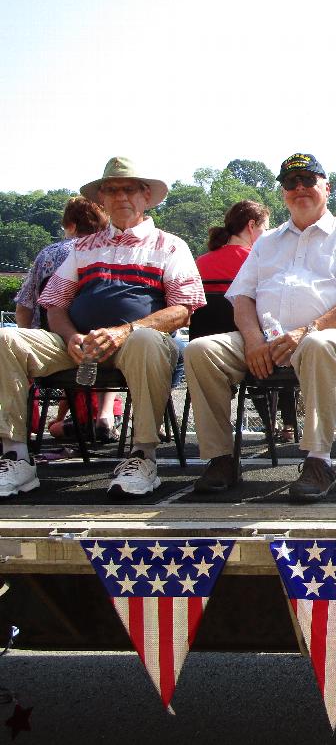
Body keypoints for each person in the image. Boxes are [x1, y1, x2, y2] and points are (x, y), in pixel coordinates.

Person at [184, 153, 336, 502]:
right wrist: (251, 340)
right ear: (282, 193)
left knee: (317, 345)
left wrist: (307, 331)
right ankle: (220, 458)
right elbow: (243, 298)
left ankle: (319, 461)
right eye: (290, 183)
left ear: (327, 186)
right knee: (200, 350)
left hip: (334, 338)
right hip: (267, 339)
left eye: (308, 180)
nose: (299, 188)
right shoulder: (267, 242)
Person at [0, 157, 206, 497]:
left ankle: (143, 454)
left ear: (146, 196)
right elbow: (54, 304)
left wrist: (123, 331)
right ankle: (15, 455)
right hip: (78, 346)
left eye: (128, 189)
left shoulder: (170, 245)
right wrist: (70, 337)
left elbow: (183, 310)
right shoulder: (82, 247)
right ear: (102, 199)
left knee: (145, 340)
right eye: (111, 190)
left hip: (137, 345)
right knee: (7, 337)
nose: (120, 196)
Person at [15, 197, 121, 443]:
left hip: (55, 346)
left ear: (71, 225)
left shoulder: (49, 255)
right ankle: (104, 417)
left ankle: (20, 433)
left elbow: (23, 308)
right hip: (102, 348)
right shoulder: (112, 253)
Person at [195, 200, 297, 442]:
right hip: (250, 348)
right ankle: (288, 424)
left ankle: (266, 423)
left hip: (208, 353)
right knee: (281, 345)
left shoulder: (199, 263)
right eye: (265, 228)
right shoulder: (259, 261)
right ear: (252, 226)